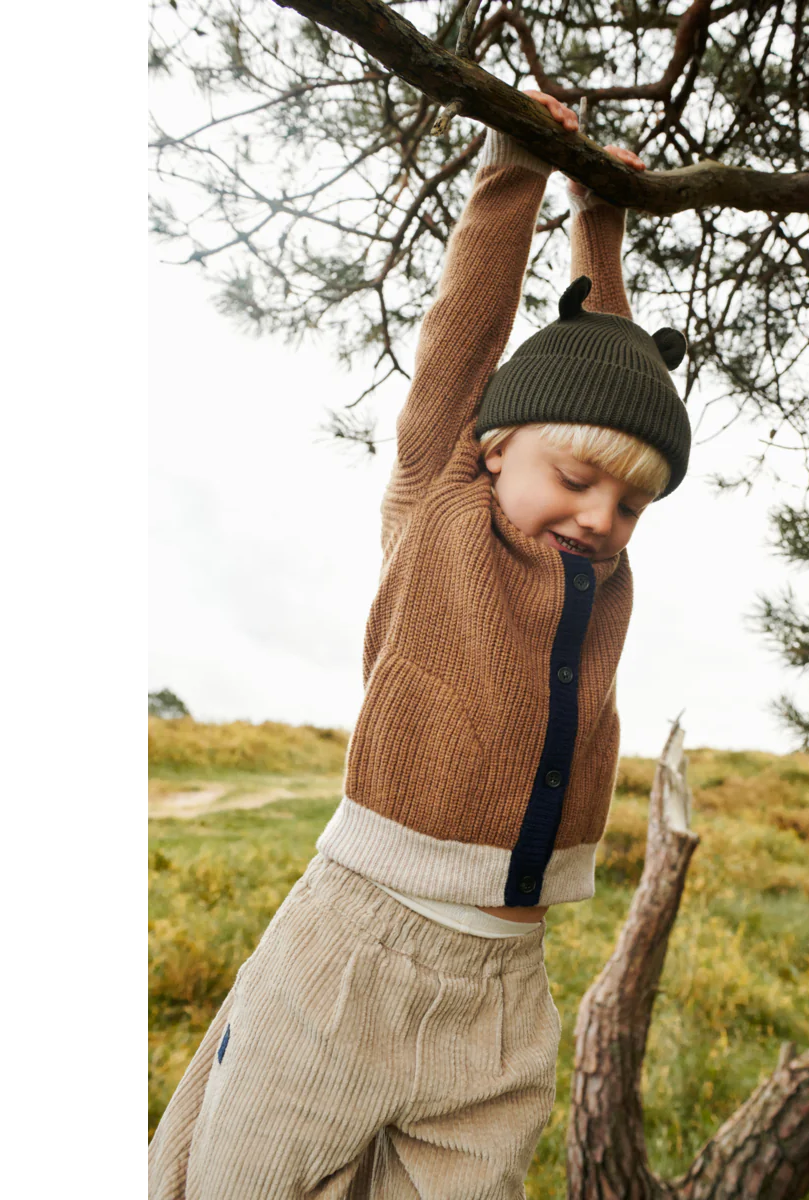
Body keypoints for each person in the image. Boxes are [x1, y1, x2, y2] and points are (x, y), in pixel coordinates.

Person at [148, 87, 691, 1199]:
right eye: (575, 480)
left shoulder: (603, 566)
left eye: (630, 505)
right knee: (247, 1178)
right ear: (492, 447)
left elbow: (615, 373)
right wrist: (517, 167)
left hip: (503, 987)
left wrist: (605, 219)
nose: (600, 516)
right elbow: (466, 339)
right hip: (353, 953)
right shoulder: (439, 506)